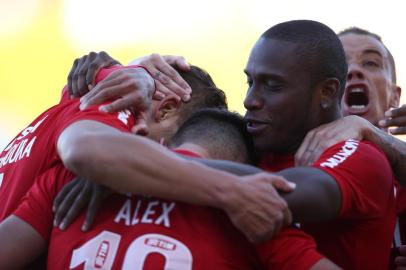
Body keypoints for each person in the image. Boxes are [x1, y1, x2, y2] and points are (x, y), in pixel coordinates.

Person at [42, 20, 395, 269]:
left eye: (271, 85)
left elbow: (279, 193)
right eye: (250, 82)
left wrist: (131, 165)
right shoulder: (259, 142)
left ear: (327, 92)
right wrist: (126, 69)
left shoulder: (361, 155)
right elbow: (199, 124)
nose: (250, 100)